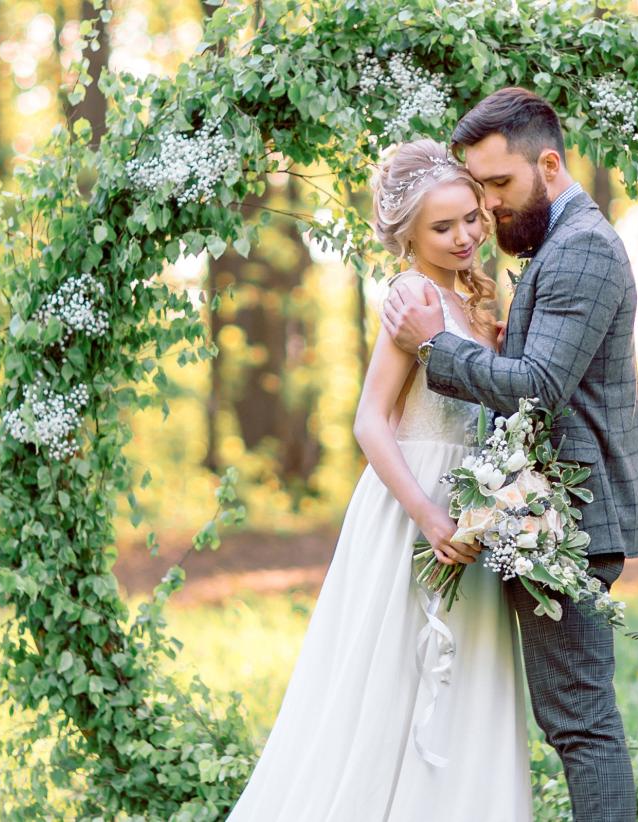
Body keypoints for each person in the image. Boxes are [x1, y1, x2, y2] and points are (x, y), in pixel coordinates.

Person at [225, 138, 532, 821]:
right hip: (416, 502)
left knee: (469, 673)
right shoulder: (413, 295)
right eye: (442, 227)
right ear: (409, 235)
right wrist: (426, 513)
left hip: (475, 505)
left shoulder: (475, 297)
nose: (464, 237)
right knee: (396, 673)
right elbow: (370, 422)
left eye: (471, 219)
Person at [381, 88, 638, 822]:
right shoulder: (557, 245)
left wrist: (435, 346)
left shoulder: (581, 250)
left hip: (568, 520)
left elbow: (538, 386)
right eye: (480, 192)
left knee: (580, 722)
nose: (491, 210)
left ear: (549, 163)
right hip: (544, 514)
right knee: (574, 718)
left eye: (500, 187)